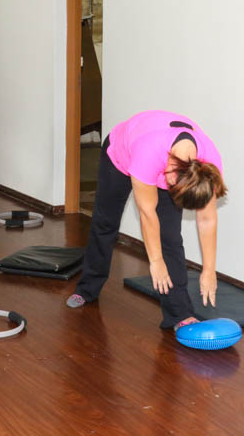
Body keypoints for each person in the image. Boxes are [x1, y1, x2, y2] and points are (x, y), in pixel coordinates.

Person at [66, 110, 226, 330]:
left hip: (162, 157)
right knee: (106, 222)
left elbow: (207, 219)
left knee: (170, 237)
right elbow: (147, 213)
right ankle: (86, 289)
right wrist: (156, 262)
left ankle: (179, 313)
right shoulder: (148, 153)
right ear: (172, 169)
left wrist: (209, 270)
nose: (167, 188)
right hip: (119, 154)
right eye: (170, 186)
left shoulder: (208, 167)